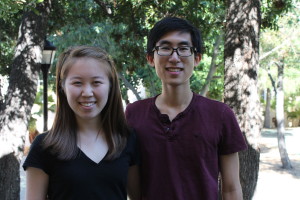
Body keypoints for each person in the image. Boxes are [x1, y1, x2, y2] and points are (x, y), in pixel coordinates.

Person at [125, 17, 247, 200]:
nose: (174, 58)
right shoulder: (133, 114)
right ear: (151, 58)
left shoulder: (220, 115)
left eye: (183, 49)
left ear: (197, 58)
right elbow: (134, 189)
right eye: (165, 48)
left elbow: (231, 188)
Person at [23, 46, 140, 200]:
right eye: (77, 83)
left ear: (111, 86)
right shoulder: (44, 146)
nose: (87, 93)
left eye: (96, 82)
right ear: (63, 87)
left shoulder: (127, 140)